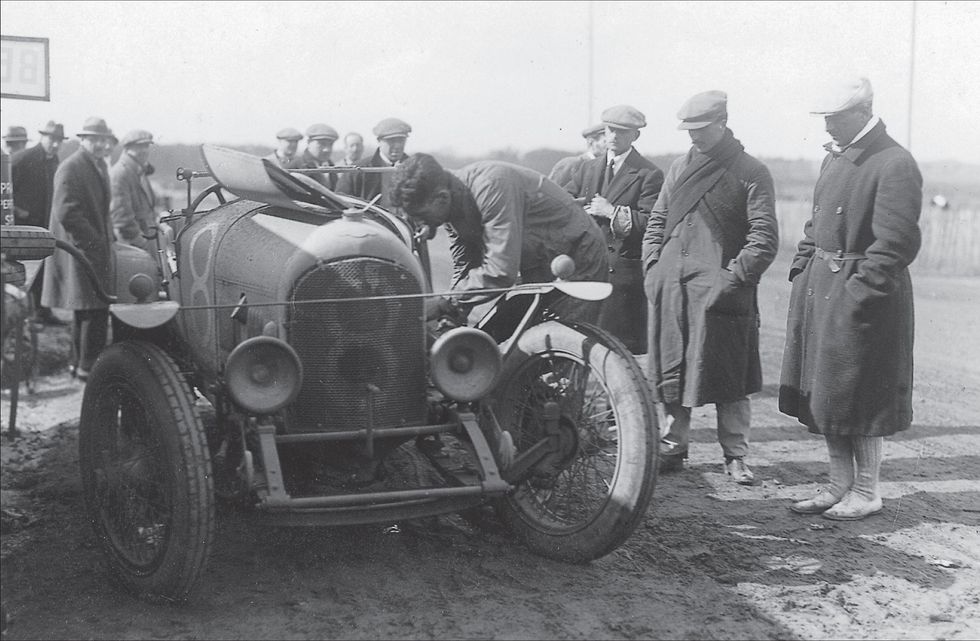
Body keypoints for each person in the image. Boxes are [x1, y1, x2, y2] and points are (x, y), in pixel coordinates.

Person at [780, 77, 922, 521]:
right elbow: (816, 222)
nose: (827, 127)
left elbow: (896, 243)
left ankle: (866, 489)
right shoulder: (836, 159)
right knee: (828, 394)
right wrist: (803, 266)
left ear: (864, 112)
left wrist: (858, 294)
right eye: (824, 117)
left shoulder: (893, 162)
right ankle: (838, 483)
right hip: (823, 289)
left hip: (864, 298)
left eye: (835, 117)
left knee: (859, 395)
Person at [642, 90, 778, 484]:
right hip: (670, 284)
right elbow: (658, 219)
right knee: (671, 366)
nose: (694, 137)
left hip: (720, 289)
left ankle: (735, 455)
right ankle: (673, 446)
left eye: (701, 129)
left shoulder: (750, 171)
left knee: (728, 373)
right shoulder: (679, 167)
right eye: (689, 130)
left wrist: (732, 279)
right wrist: (652, 266)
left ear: (722, 123)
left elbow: (764, 237)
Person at [389, 153, 609, 324]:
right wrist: (451, 317)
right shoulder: (449, 201)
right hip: (542, 261)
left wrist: (444, 302)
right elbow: (465, 269)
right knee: (507, 346)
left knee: (553, 352)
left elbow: (501, 271)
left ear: (441, 198)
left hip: (578, 255)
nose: (420, 225)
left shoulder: (491, 185)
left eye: (420, 216)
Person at [562, 105, 664, 354]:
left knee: (619, 352)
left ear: (635, 136)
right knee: (577, 344)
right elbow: (563, 201)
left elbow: (653, 223)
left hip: (622, 277)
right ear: (604, 132)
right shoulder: (586, 168)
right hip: (585, 270)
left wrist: (611, 212)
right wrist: (577, 210)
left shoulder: (649, 174)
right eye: (611, 130)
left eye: (623, 131)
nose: (615, 136)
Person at [41, 117, 117, 381]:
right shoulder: (71, 167)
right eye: (93, 139)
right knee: (92, 309)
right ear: (82, 140)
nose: (98, 144)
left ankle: (79, 366)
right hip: (79, 250)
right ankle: (87, 368)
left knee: (89, 308)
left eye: (102, 140)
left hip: (89, 247)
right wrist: (94, 243)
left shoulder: (97, 166)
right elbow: (66, 212)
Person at [10, 121, 67, 324]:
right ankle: (21, 317)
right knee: (20, 273)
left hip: (43, 225)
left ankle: (41, 313)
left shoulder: (54, 162)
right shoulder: (22, 159)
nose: (54, 144)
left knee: (44, 270)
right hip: (19, 229)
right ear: (42, 137)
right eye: (52, 139)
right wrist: (18, 210)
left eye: (58, 141)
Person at [335, 118, 411, 208]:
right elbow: (339, 205)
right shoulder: (357, 171)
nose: (397, 146)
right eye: (391, 141)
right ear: (379, 141)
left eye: (401, 140)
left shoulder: (416, 170)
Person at [109, 129, 158, 250]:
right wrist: (141, 242)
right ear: (127, 149)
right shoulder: (120, 173)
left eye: (146, 146)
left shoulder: (139, 171)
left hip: (145, 238)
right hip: (131, 244)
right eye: (139, 147)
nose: (144, 151)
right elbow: (121, 218)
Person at [301, 123, 339, 189]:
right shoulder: (296, 166)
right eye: (322, 144)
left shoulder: (331, 167)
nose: (326, 149)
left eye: (330, 144)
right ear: (309, 143)